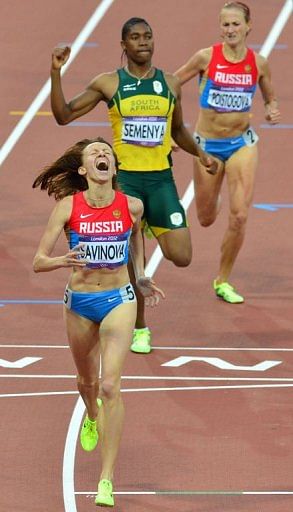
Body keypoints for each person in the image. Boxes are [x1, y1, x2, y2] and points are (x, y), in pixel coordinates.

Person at [50, 17, 217, 353]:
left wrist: (200, 153)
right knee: (129, 257)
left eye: (148, 37)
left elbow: (178, 130)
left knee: (181, 255)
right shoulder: (109, 83)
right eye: (136, 38)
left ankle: (150, 227)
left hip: (160, 180)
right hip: (125, 181)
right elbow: (64, 114)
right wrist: (56, 72)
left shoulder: (169, 84)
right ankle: (140, 326)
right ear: (123, 46)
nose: (143, 42)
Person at [32, 137, 164, 507]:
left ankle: (107, 479)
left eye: (107, 152)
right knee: (87, 383)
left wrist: (139, 277)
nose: (102, 155)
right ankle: (91, 415)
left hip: (118, 300)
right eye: (94, 154)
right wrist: (62, 261)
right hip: (79, 303)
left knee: (110, 386)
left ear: (114, 168)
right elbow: (38, 261)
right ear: (83, 169)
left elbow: (135, 241)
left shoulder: (133, 206)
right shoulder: (66, 207)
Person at [175, 1, 281, 303]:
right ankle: (216, 192)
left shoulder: (258, 63)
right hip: (206, 146)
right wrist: (170, 127)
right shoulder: (205, 58)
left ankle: (222, 279)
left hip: (241, 145)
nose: (230, 30)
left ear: (248, 26)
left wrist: (272, 110)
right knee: (206, 217)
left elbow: (270, 98)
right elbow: (170, 84)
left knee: (239, 217)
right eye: (225, 24)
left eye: (236, 24)